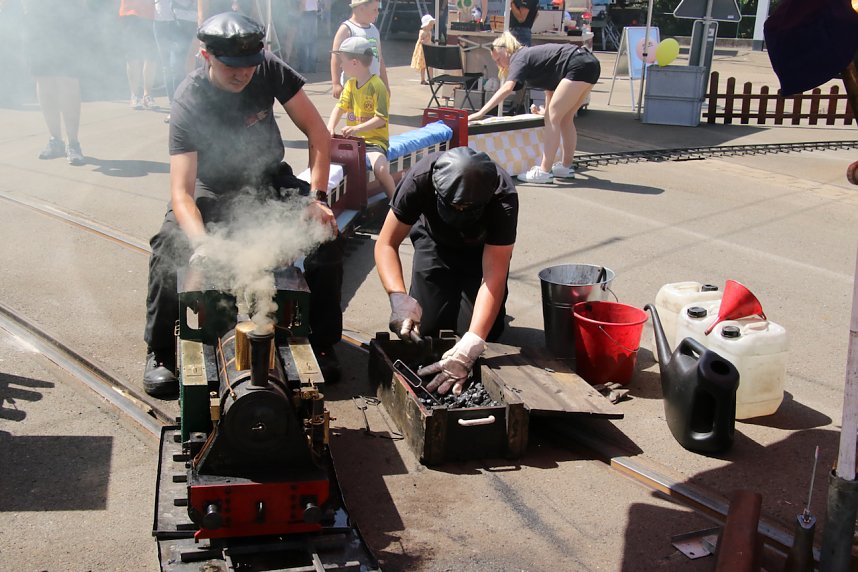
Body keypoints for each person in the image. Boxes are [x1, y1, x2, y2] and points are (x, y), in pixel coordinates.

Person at [143, 11, 342, 396]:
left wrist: (316, 198)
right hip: (212, 187)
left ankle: (321, 342)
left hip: (268, 178)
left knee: (327, 236)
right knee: (168, 243)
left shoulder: (268, 68)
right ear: (207, 57)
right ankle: (161, 351)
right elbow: (182, 192)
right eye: (232, 67)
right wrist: (202, 243)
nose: (243, 74)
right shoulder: (189, 98)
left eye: (249, 66)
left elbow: (318, 132)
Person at [374, 147, 518, 395]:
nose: (460, 211)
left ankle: (475, 320)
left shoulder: (502, 196)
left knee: (483, 338)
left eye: (467, 208)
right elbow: (386, 243)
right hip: (434, 241)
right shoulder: (420, 180)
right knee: (426, 330)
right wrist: (398, 298)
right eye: (455, 206)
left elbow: (494, 274)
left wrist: (473, 341)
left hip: (481, 250)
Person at [468, 32, 600, 184]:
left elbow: (508, 88)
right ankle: (565, 166)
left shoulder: (518, 57)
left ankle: (544, 171)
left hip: (577, 64)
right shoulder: (529, 56)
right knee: (564, 119)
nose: (499, 64)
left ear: (507, 50)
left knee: (553, 119)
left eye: (498, 59)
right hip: (589, 63)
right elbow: (550, 87)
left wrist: (481, 113)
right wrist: (547, 110)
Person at [327, 37, 396, 198]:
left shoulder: (377, 86)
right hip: (352, 141)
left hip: (374, 143)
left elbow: (381, 119)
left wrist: (356, 128)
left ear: (355, 62)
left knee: (380, 169)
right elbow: (340, 107)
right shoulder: (351, 84)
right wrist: (330, 127)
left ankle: (396, 204)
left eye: (342, 61)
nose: (340, 65)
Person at [21, 0, 88, 165]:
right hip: (37, 19)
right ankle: (56, 141)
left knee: (68, 80)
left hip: (68, 17)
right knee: (43, 80)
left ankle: (73, 144)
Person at [330, 0, 389, 101]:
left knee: (369, 112)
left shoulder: (374, 30)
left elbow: (380, 59)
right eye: (374, 9)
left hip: (373, 85)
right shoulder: (346, 29)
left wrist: (385, 84)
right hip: (353, 86)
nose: (377, 13)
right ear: (361, 8)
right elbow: (336, 57)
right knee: (353, 114)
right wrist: (336, 83)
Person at [153, 0, 197, 117]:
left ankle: (180, 105)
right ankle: (174, 104)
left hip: (184, 18)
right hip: (161, 19)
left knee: (177, 65)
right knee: (167, 66)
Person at [120, 0, 160, 110]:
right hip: (130, 13)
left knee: (151, 57)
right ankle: (134, 96)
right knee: (133, 56)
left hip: (153, 14)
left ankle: (147, 96)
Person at [410, 14, 434, 85]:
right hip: (423, 50)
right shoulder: (423, 32)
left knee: (430, 65)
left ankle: (431, 78)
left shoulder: (429, 32)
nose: (431, 27)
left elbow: (429, 40)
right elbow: (420, 41)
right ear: (426, 25)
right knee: (423, 66)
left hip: (428, 49)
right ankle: (423, 79)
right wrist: (425, 40)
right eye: (430, 25)